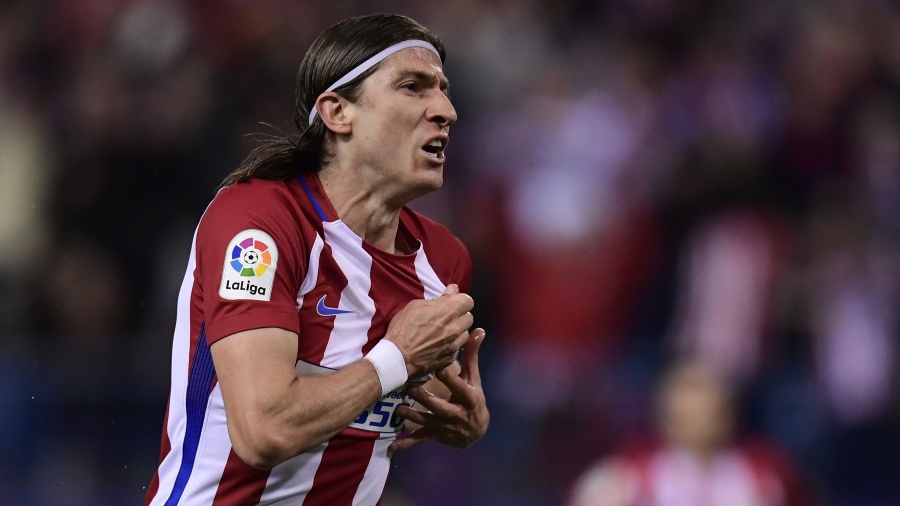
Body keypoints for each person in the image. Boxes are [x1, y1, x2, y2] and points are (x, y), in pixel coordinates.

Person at [145, 13, 489, 505]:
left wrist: (464, 422)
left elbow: (398, 411)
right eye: (414, 87)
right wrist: (397, 357)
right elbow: (263, 432)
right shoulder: (257, 223)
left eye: (443, 90)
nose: (446, 110)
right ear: (337, 112)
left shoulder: (443, 260)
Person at [567, 360, 812, 506]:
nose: (699, 426)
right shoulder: (631, 472)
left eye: (708, 413)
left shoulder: (764, 472)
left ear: (728, 415)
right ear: (666, 419)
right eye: (686, 417)